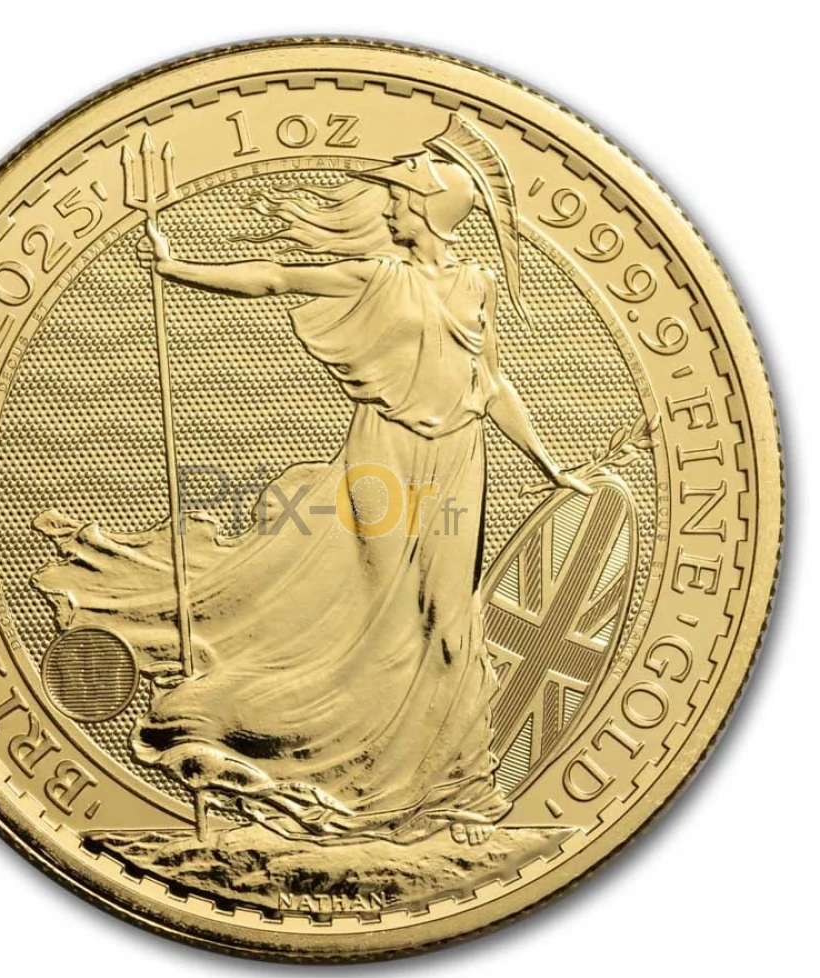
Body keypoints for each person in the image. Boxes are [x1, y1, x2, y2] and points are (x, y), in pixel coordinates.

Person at [33, 114, 589, 846]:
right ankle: (333, 769)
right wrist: (177, 268)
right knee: (381, 619)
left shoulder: (476, 285)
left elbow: (491, 384)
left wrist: (549, 463)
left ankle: (455, 787)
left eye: (401, 199)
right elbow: (273, 277)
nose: (390, 209)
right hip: (382, 459)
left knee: (450, 624)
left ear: (430, 209)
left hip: (458, 459)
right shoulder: (375, 275)